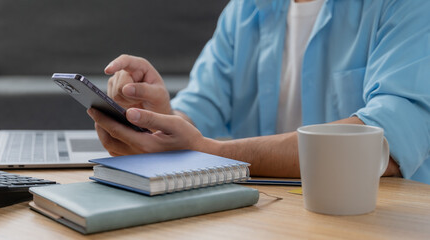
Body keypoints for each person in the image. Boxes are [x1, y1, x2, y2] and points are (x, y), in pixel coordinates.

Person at [87, 0, 430, 184]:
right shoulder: (245, 10)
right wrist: (159, 120)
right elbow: (201, 111)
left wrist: (209, 151)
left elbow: (383, 147)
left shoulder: (406, 5)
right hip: (266, 218)